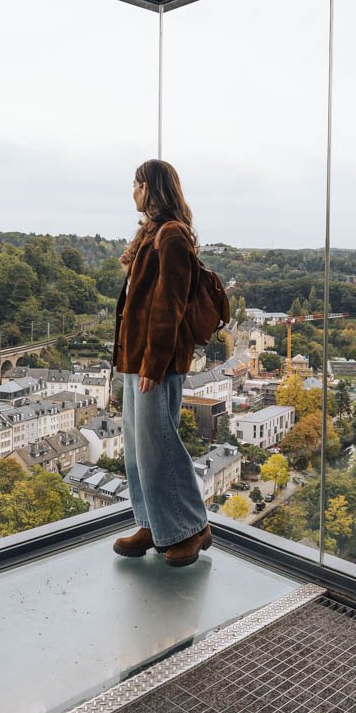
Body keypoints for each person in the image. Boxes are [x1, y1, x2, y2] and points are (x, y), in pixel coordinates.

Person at [111, 159, 213, 567]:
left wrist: (154, 364)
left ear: (151, 189)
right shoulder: (150, 234)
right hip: (136, 356)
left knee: (160, 445)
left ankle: (192, 528)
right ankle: (154, 524)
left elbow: (169, 306)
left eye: (136, 185)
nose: (132, 193)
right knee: (138, 449)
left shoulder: (172, 236)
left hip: (158, 360)